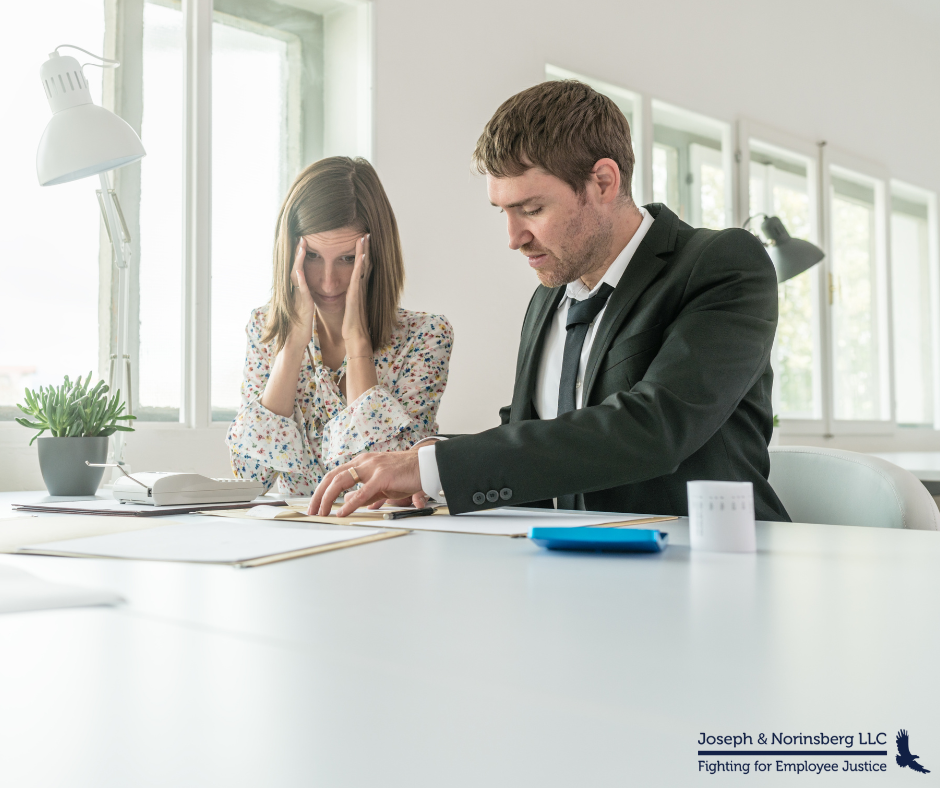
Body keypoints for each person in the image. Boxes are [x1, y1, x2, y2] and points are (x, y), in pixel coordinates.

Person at [309, 81, 790, 522]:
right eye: (504, 211)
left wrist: (436, 468)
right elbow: (527, 435)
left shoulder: (722, 264)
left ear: (604, 181)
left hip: (712, 568)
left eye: (532, 209)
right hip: (571, 571)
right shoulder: (548, 299)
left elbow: (652, 429)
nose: (514, 238)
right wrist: (425, 469)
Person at [226, 156, 453, 499]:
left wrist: (358, 344)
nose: (328, 282)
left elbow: (387, 487)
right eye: (313, 256)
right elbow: (250, 477)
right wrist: (291, 350)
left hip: (383, 539)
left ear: (375, 256)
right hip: (288, 537)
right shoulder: (264, 329)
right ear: (290, 254)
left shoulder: (425, 337)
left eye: (347, 258)